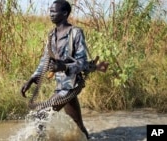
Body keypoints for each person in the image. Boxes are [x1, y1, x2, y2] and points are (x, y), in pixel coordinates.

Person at [21, 0, 108, 139]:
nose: (51, 14)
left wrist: (65, 66)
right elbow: (45, 60)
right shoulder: (51, 35)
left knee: (40, 115)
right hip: (61, 85)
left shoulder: (76, 33)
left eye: (54, 11)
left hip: (71, 85)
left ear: (65, 13)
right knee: (78, 125)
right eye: (50, 11)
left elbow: (82, 62)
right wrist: (32, 78)